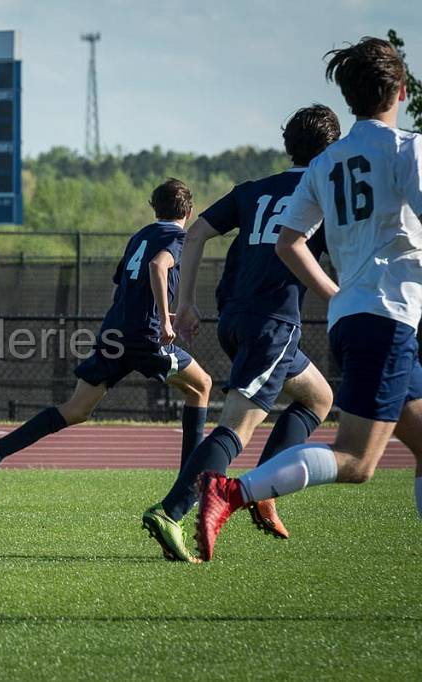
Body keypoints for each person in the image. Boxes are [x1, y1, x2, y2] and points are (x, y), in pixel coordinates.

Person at [197, 37, 422, 561]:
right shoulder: (408, 149)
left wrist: (335, 293)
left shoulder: (327, 163)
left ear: (349, 97)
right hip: (388, 318)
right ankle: (233, 490)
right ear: (402, 91)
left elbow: (288, 241)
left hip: (355, 319)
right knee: (358, 461)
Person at [140, 105, 340, 563]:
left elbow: (195, 237)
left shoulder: (253, 190)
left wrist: (186, 301)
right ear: (330, 151)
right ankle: (172, 509)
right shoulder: (324, 193)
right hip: (272, 325)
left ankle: (266, 486)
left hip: (234, 317)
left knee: (318, 398)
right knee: (235, 426)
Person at [0, 179, 212, 507]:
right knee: (202, 386)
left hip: (115, 332)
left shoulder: (139, 236)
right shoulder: (179, 237)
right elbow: (159, 266)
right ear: (189, 210)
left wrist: (159, 313)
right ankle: (190, 485)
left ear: (154, 207)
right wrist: (164, 319)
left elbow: (125, 289)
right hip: (144, 337)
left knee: (76, 409)